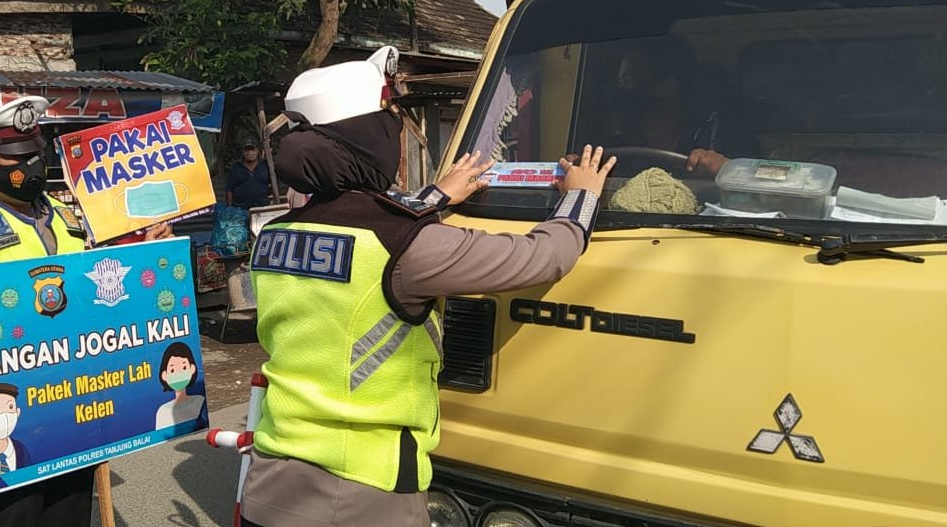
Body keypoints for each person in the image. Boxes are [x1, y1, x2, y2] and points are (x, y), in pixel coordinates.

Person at [239, 47, 616, 527]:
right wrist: (581, 197)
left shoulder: (273, 237)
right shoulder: (408, 247)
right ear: (369, 140)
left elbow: (357, 230)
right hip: (361, 493)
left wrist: (437, 196)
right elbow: (542, 258)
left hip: (271, 481)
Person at [0, 96, 170, 527]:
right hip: (10, 416)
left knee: (70, 515)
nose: (33, 166)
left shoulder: (65, 216)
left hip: (72, 411)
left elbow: (99, 281)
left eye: (37, 155)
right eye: (18, 159)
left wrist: (145, 249)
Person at [597, 41, 741, 176]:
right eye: (622, 81)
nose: (626, 90)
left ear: (670, 85)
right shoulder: (615, 149)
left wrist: (725, 169)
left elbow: (754, 182)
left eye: (634, 79)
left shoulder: (717, 138)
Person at [226, 138, 272, 209]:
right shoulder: (236, 168)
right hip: (240, 210)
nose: (250, 153)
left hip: (263, 208)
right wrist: (229, 208)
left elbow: (273, 185)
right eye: (247, 150)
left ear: (257, 150)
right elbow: (229, 189)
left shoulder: (265, 166)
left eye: (253, 149)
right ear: (243, 152)